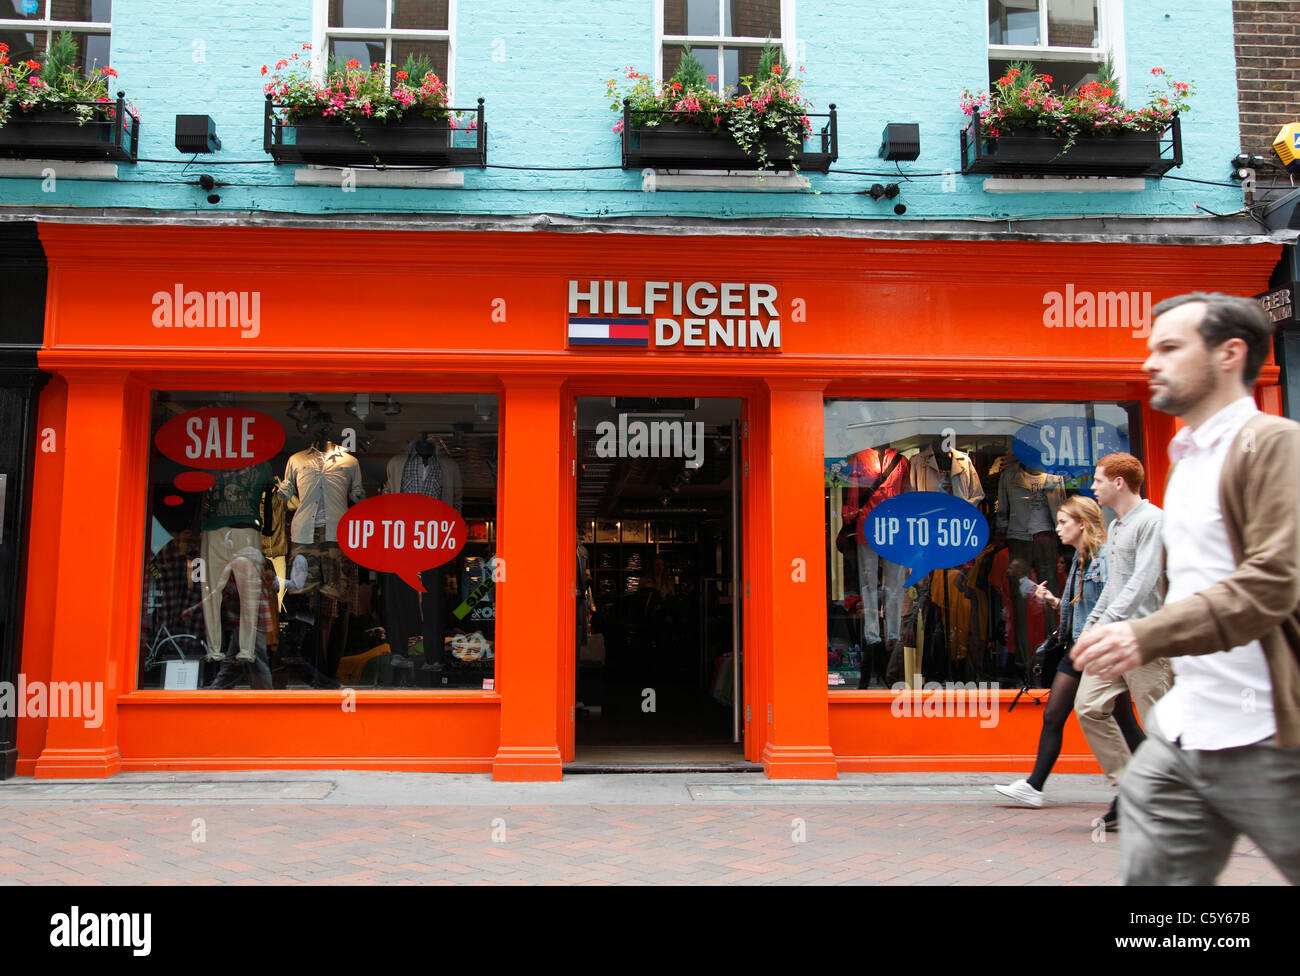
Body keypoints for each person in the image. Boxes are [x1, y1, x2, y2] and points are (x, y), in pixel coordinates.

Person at [1072, 292, 1300, 885]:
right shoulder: (1186, 458)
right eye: (1152, 349)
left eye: (1170, 348)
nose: (1151, 361)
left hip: (1268, 735)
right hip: (1186, 730)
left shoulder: (1274, 445)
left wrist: (1146, 634)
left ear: (1230, 354)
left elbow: (1274, 583)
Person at [1074, 452, 1172, 830]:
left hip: (1144, 638)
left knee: (1158, 724)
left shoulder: (1153, 521)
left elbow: (1143, 580)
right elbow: (1113, 587)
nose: (1093, 487)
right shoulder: (1115, 527)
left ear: (1119, 483)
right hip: (1113, 637)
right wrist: (1092, 627)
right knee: (1088, 706)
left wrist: (1108, 623)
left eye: (1098, 480)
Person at [994, 496, 1107, 807]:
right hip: (1079, 648)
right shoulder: (1079, 559)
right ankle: (1033, 786)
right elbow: (1082, 608)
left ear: (1082, 524)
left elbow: (1107, 609)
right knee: (1055, 715)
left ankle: (1147, 783)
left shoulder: (1103, 560)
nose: (1056, 529)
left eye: (1063, 522)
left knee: (1114, 720)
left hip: (1092, 650)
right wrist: (1054, 601)